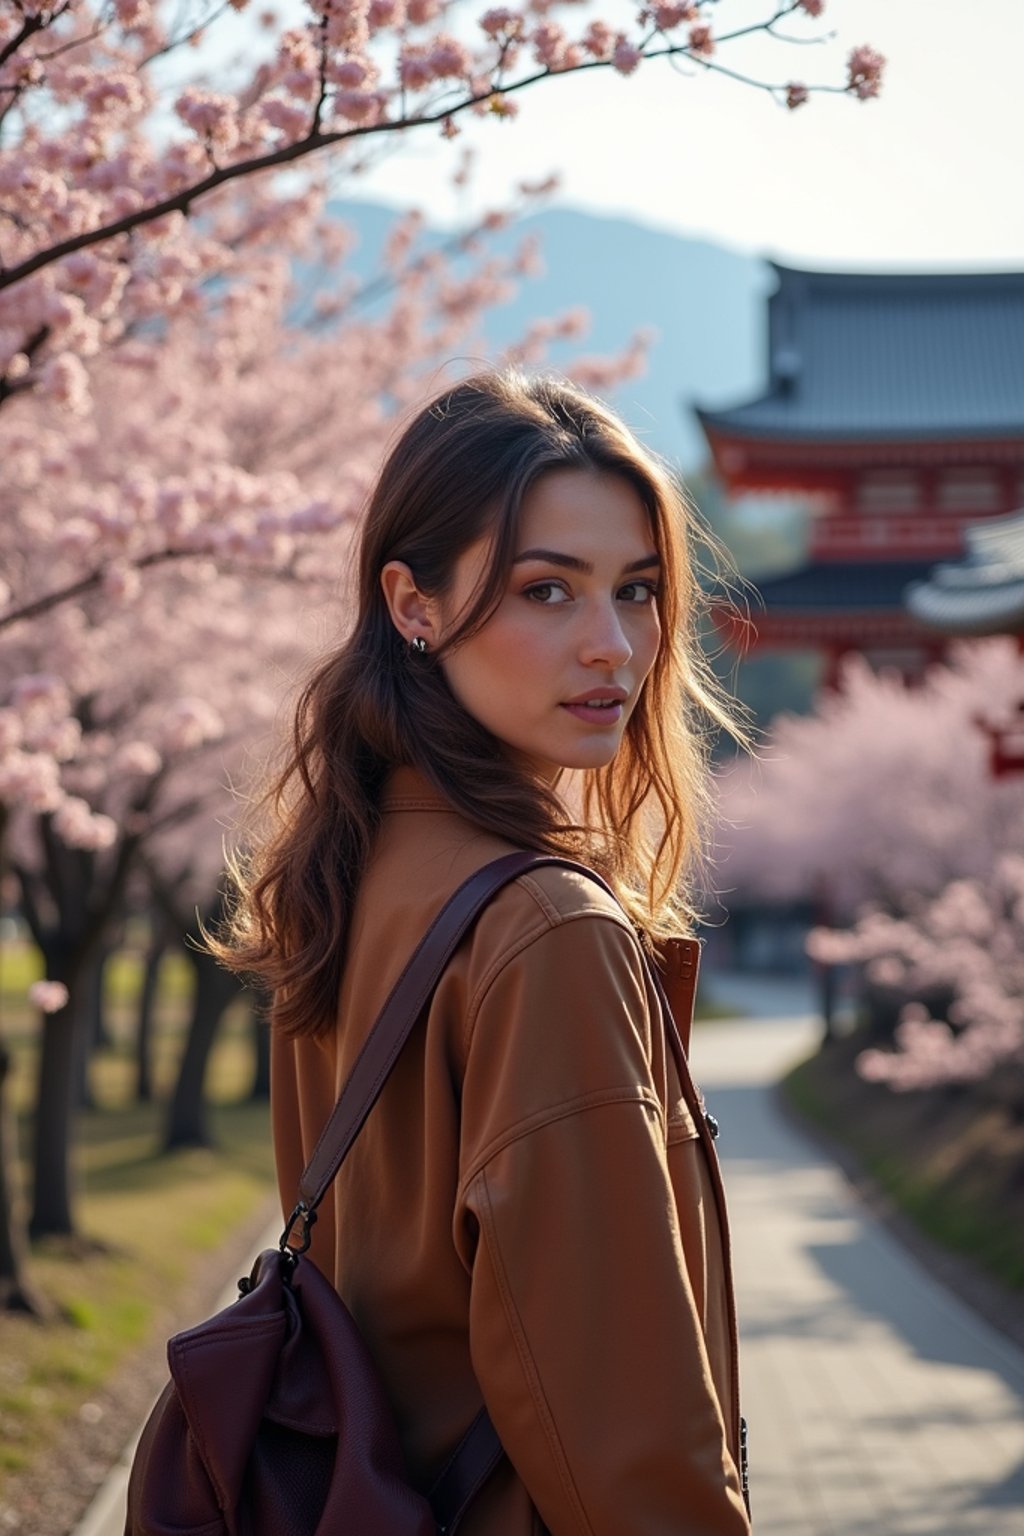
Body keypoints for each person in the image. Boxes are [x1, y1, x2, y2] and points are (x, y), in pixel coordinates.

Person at [217, 371, 752, 1534]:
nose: (612, 646)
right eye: (546, 590)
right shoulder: (547, 929)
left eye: (639, 590)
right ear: (411, 602)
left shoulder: (348, 872)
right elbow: (626, 1435)